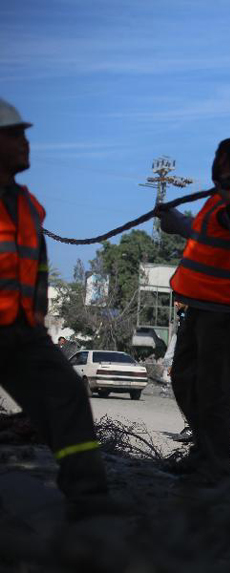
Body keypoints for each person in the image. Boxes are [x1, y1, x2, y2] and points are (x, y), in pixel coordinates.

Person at [0, 98, 111, 517]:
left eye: (24, 134)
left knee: (67, 396)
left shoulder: (28, 204)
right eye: (14, 135)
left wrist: (36, 318)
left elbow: (39, 267)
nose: (25, 143)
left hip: (21, 329)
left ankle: (89, 500)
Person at [156, 138, 230, 482]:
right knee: (186, 380)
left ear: (223, 161)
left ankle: (216, 464)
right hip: (201, 308)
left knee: (214, 390)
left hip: (223, 312)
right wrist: (176, 222)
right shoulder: (219, 198)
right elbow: (206, 236)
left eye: (215, 158)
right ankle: (206, 451)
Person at [162, 301, 192, 443]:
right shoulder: (182, 317)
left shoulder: (196, 317)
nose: (175, 303)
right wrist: (170, 361)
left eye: (179, 299)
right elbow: (177, 339)